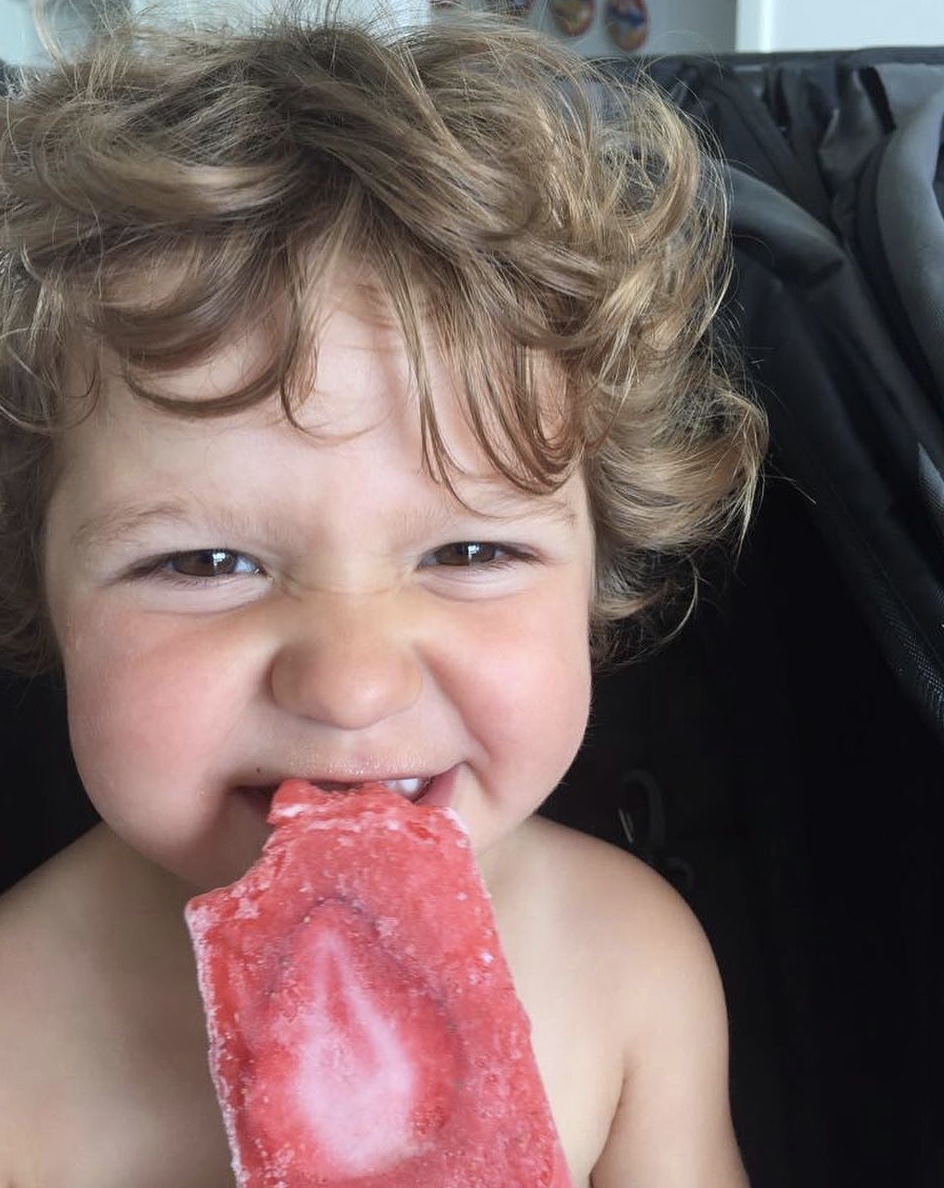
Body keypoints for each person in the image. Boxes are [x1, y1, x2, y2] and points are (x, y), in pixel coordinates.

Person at [0, 10, 766, 1186]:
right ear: (38, 593)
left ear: (598, 579)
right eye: (207, 565)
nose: (352, 683)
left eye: (466, 553)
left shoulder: (631, 970)